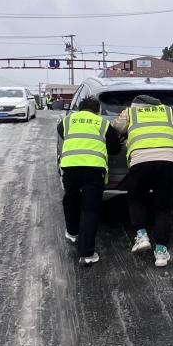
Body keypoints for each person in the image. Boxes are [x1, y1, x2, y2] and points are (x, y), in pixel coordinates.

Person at [110, 94, 173, 267]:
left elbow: (115, 127)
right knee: (163, 207)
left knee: (136, 198)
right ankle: (161, 252)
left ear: (135, 104)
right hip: (168, 160)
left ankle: (142, 237)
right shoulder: (168, 111)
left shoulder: (130, 112)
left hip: (140, 161)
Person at [56, 97, 121, 265]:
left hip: (70, 165)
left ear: (80, 109)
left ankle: (72, 233)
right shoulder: (102, 123)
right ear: (97, 111)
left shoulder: (68, 120)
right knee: (90, 209)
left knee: (71, 198)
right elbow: (115, 148)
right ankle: (86, 254)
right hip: (94, 168)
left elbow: (61, 131)